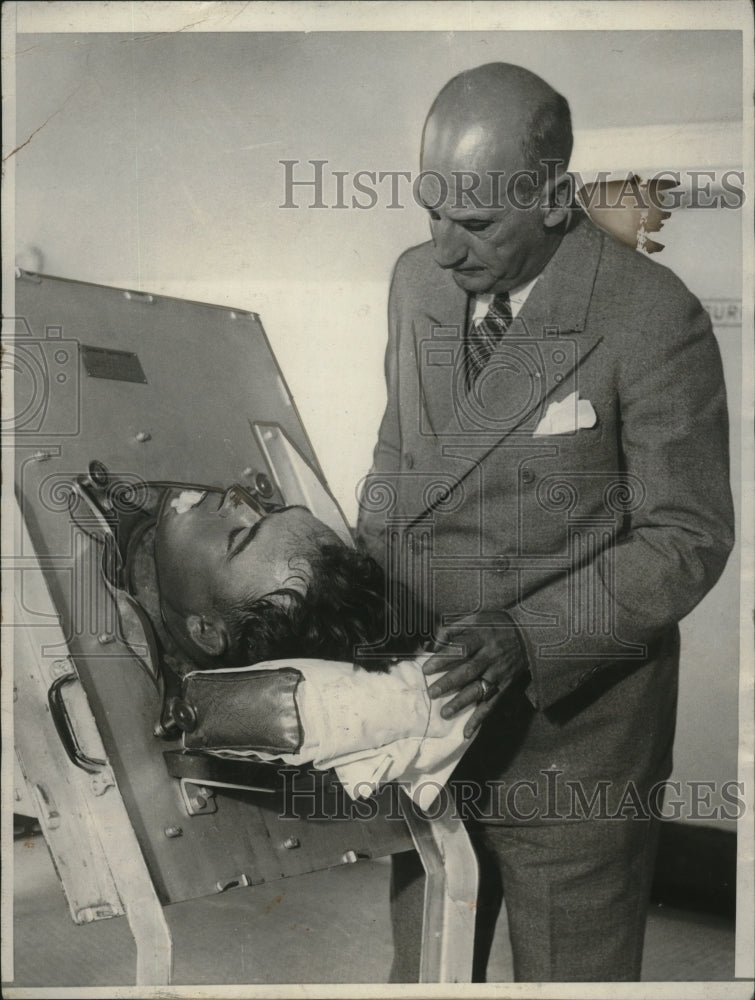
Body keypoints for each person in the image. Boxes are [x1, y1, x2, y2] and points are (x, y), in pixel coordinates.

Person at [355, 62, 734, 982]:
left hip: (574, 735)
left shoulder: (651, 317)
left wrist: (527, 635)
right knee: (426, 974)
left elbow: (685, 538)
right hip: (428, 717)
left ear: (557, 198)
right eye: (429, 211)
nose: (444, 248)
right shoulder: (416, 286)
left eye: (476, 222)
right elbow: (399, 468)